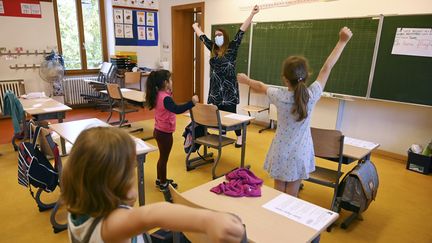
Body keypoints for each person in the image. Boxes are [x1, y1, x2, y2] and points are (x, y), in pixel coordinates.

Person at [62, 126, 245, 243]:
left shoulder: (78, 207)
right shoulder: (111, 226)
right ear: (113, 184)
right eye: (129, 173)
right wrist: (210, 220)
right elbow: (153, 214)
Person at [237, 27, 353, 197]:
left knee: (278, 192)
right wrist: (342, 41)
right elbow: (326, 68)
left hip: (280, 150)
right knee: (292, 194)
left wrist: (246, 80)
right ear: (306, 76)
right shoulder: (311, 95)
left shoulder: (279, 95)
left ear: (284, 78)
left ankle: (276, 220)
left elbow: (260, 86)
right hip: (301, 152)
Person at [192, 5, 259, 148]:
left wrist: (252, 14)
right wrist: (194, 26)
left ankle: (239, 137)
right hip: (216, 89)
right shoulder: (213, 49)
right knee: (217, 113)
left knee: (231, 114)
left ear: (225, 37)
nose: (217, 37)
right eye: (216, 35)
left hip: (228, 89)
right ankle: (221, 132)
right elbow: (202, 37)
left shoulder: (232, 48)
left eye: (220, 35)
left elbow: (242, 30)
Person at [146, 70, 199, 191]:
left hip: (159, 130)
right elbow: (177, 109)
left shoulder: (159, 94)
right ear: (165, 83)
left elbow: (169, 104)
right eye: (170, 80)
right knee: (164, 158)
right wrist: (192, 103)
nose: (172, 82)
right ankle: (163, 183)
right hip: (164, 133)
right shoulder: (166, 99)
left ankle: (160, 179)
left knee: (162, 157)